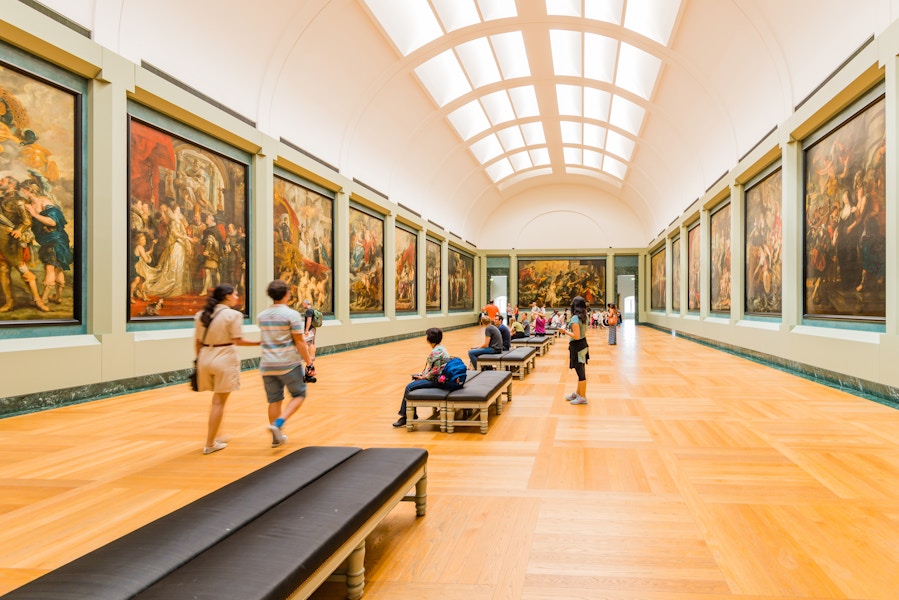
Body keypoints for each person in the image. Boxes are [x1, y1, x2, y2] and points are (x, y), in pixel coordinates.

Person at [195, 284, 260, 454]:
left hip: (205, 357)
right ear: (227, 296)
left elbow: (197, 341)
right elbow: (238, 340)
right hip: (224, 358)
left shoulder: (201, 314)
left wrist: (199, 360)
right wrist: (260, 342)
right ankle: (210, 443)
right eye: (236, 294)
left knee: (217, 401)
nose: (237, 297)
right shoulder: (233, 315)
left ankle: (217, 434)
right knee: (219, 402)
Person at [257, 280, 314, 448]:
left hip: (267, 364)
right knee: (299, 394)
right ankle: (278, 423)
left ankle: (277, 438)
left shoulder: (262, 316)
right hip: (288, 363)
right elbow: (299, 342)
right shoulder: (292, 315)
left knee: (274, 400)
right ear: (287, 295)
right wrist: (309, 362)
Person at [393, 327, 449, 427]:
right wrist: (422, 374)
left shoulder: (436, 352)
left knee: (409, 387)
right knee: (413, 384)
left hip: (437, 380)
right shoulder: (441, 348)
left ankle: (406, 416)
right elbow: (434, 367)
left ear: (429, 339)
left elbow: (435, 371)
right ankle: (411, 414)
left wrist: (424, 377)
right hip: (439, 377)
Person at [559, 296, 589, 404]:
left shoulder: (576, 318)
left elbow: (576, 336)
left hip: (577, 346)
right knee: (580, 371)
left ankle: (583, 397)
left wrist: (564, 331)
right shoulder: (585, 316)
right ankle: (578, 393)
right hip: (583, 345)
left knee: (580, 372)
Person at [301, 298, 318, 380]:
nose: (302, 306)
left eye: (303, 304)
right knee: (311, 343)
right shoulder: (312, 310)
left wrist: (306, 330)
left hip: (310, 330)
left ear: (305, 304)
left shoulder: (308, 311)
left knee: (305, 343)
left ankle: (309, 358)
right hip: (313, 329)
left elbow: (309, 320)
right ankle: (311, 358)